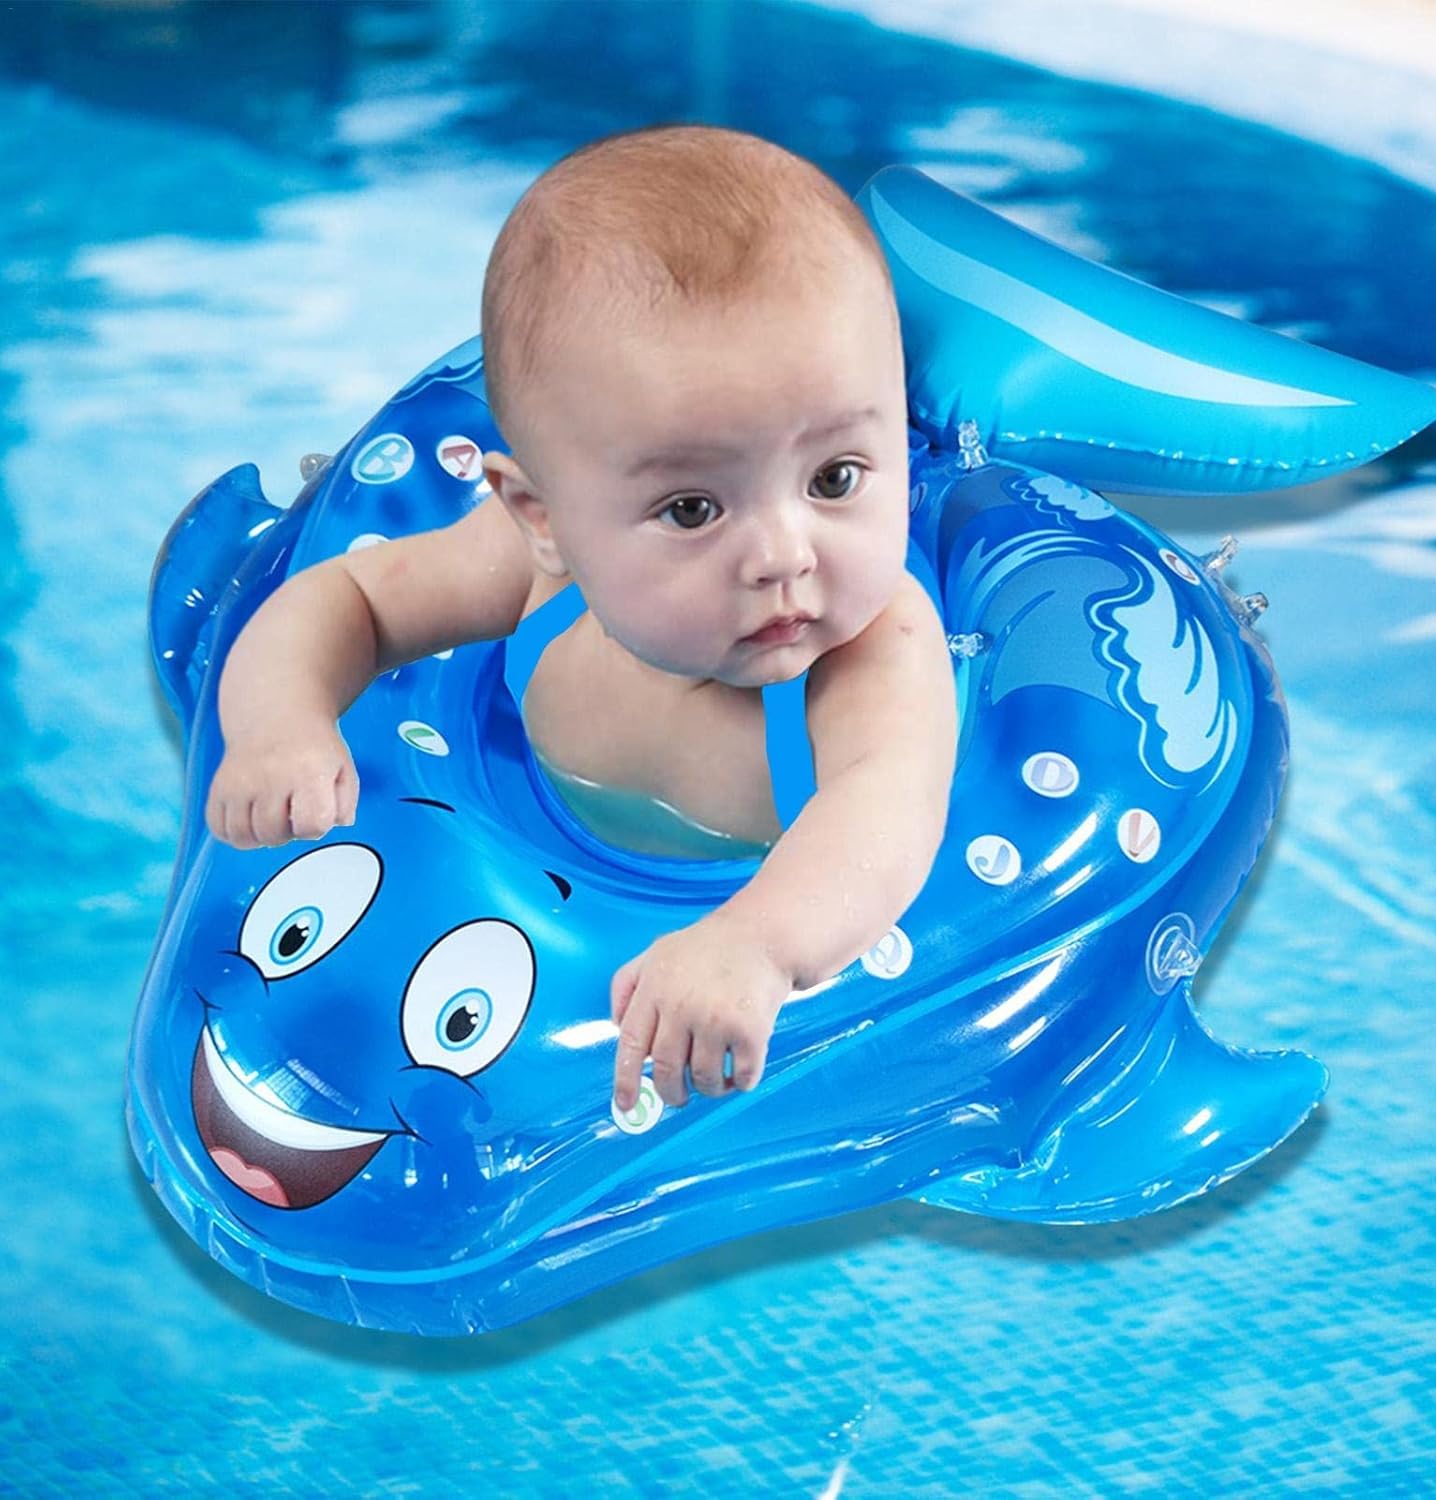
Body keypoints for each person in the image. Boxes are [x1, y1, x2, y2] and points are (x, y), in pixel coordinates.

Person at [206, 124, 957, 1116]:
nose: (785, 553)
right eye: (693, 508)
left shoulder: (875, 648)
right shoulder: (535, 567)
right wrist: (280, 726)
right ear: (543, 518)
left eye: (835, 478)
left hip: (735, 904)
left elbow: (885, 818)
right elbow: (345, 598)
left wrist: (756, 945)